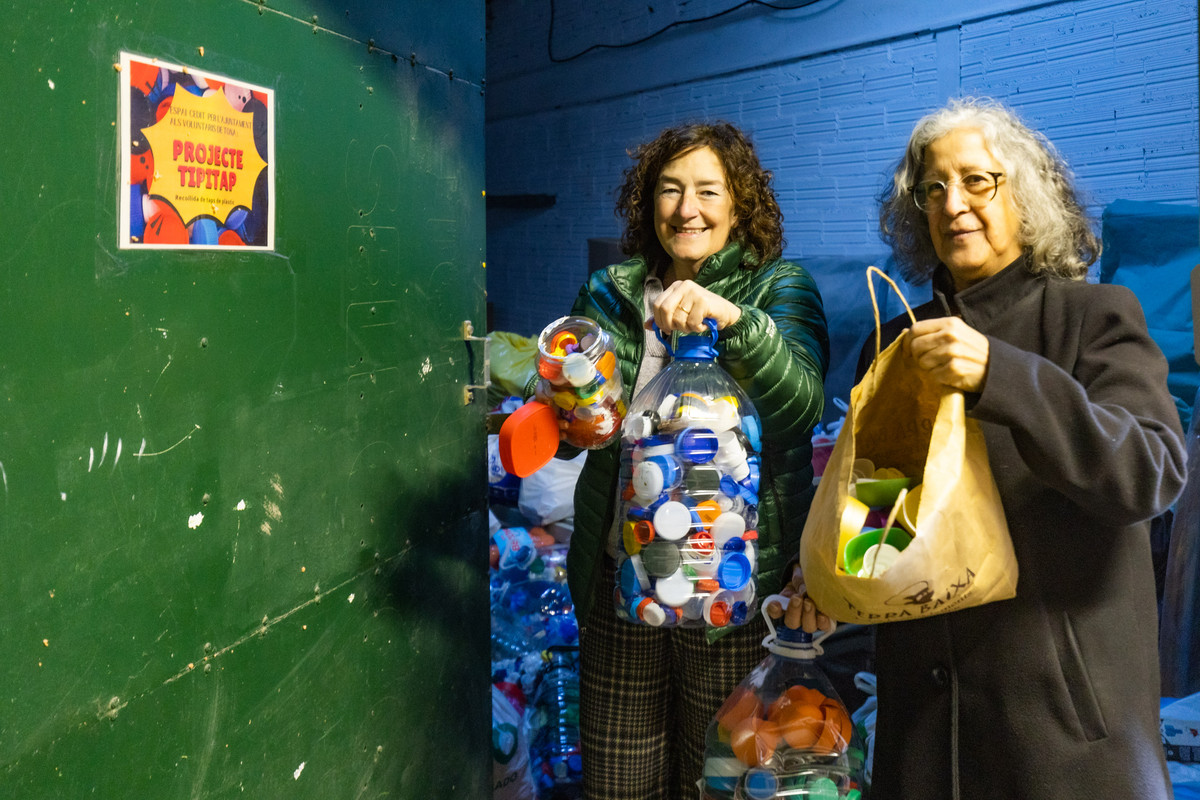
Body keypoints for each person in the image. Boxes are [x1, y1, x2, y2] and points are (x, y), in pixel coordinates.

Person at [780, 96, 1187, 799]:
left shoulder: (1093, 319)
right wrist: (830, 582)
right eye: (933, 188)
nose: (953, 204)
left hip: (1061, 739)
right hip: (924, 736)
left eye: (977, 181)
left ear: (1024, 196)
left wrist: (1002, 374)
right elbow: (882, 521)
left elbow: (1148, 473)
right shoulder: (894, 346)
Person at [554, 121, 829, 799]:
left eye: (709, 191)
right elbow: (580, 430)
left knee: (721, 780)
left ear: (739, 204)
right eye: (670, 190)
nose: (687, 209)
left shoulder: (779, 287)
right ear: (649, 201)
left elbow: (800, 408)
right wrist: (559, 402)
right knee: (620, 783)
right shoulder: (611, 293)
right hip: (623, 581)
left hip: (730, 589)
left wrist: (732, 320)